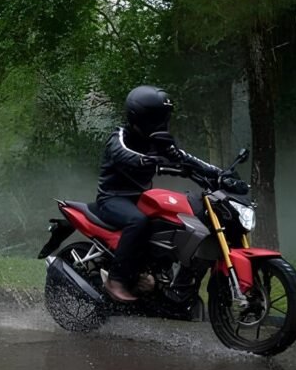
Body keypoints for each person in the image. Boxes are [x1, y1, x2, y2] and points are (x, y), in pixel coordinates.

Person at [95, 85, 248, 303]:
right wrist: (145, 160)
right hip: (113, 198)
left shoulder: (158, 141)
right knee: (137, 222)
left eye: (163, 118)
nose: (161, 123)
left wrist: (221, 174)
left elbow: (186, 158)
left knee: (174, 220)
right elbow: (122, 153)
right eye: (156, 118)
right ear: (140, 117)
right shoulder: (119, 136)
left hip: (141, 198)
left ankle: (168, 281)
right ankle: (116, 279)